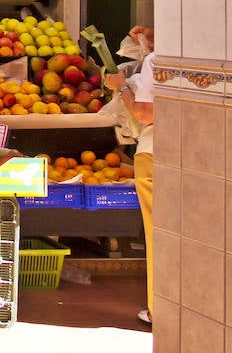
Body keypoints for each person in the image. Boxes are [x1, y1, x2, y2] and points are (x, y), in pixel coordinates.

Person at [106, 24, 154, 327]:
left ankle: (157, 309)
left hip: (154, 150)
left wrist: (121, 86)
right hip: (188, 153)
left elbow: (145, 113)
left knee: (157, 234)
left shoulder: (154, 61)